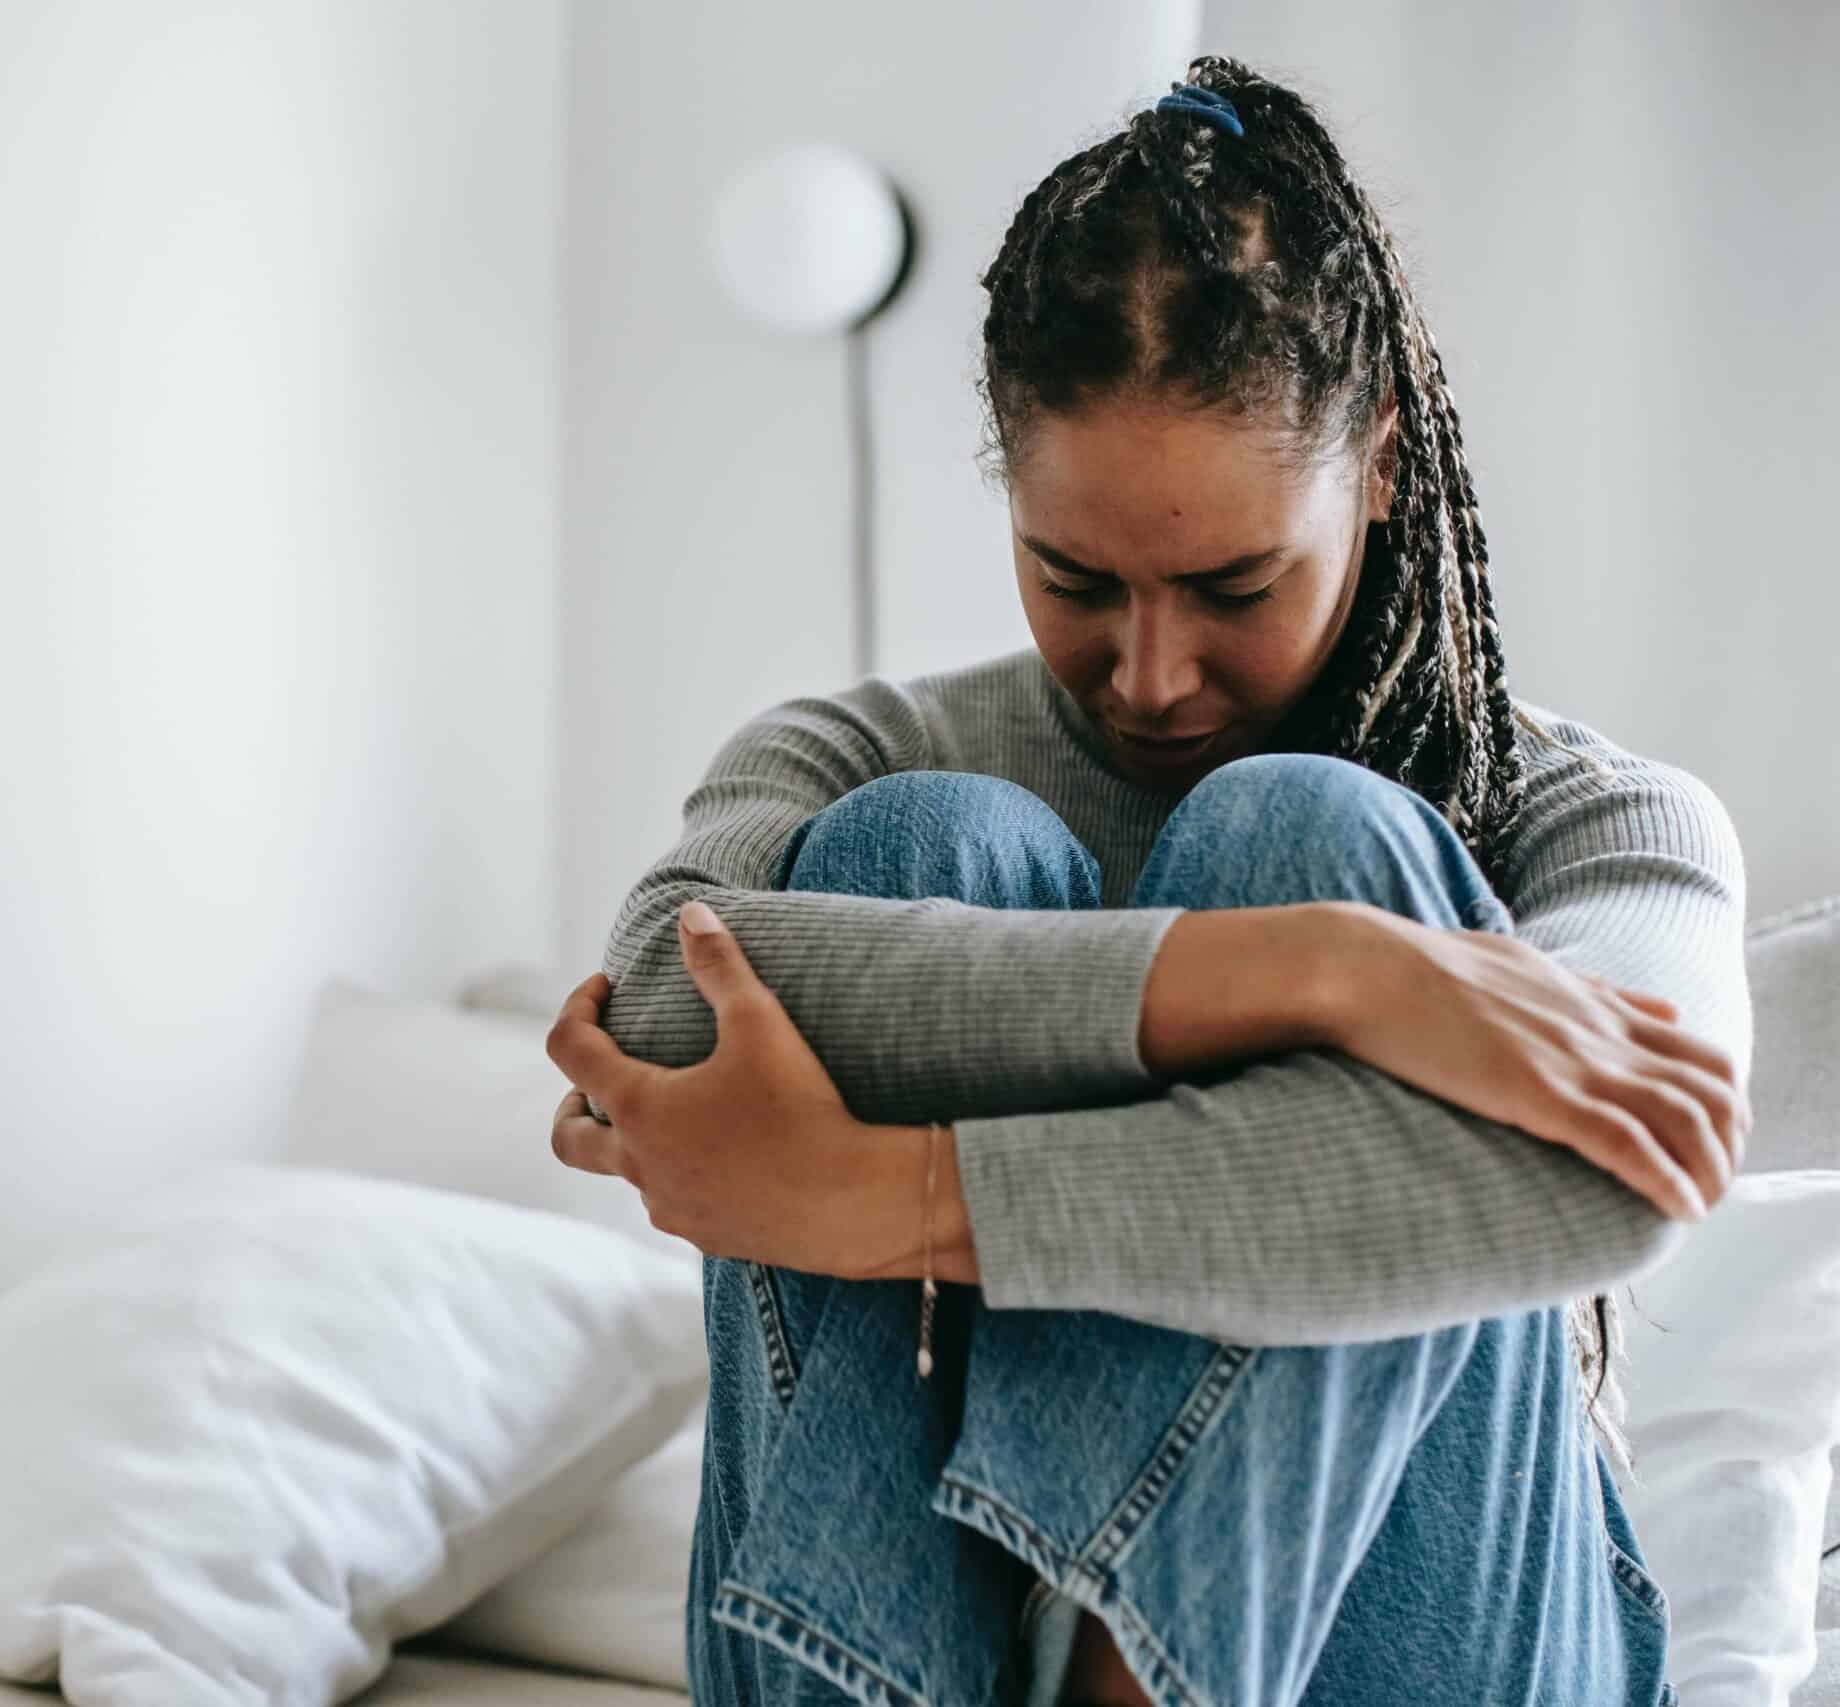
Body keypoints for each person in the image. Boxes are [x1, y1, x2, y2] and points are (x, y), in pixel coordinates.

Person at [540, 56, 1750, 1707]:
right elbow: (654, 1012)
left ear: (1381, 467)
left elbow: (1625, 1175)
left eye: (1235, 585)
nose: (1153, 673)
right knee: (918, 849)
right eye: (1075, 579)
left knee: (1318, 832)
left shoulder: (1586, 817)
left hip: (1424, 1651)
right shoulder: (852, 750)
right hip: (916, 1646)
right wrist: (1327, 974)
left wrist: (887, 1198)